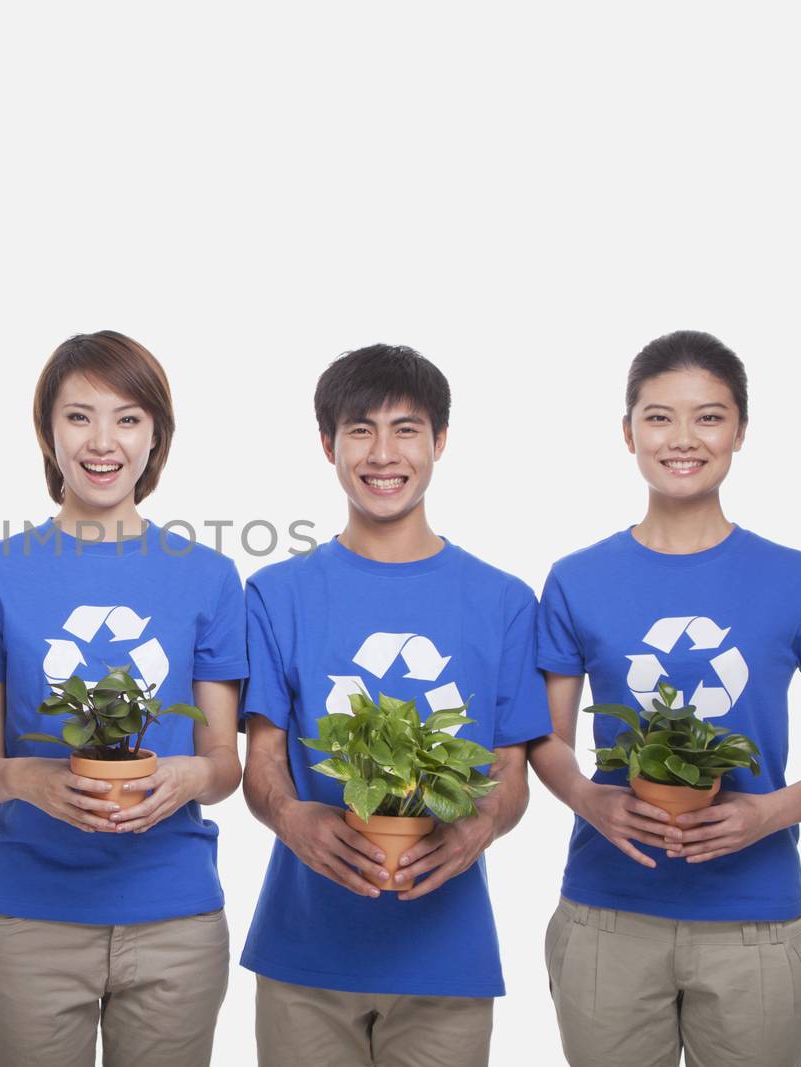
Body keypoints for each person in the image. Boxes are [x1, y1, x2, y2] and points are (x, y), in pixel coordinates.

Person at [528, 330, 801, 1067]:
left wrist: (767, 812)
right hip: (608, 915)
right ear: (627, 433)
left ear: (740, 431)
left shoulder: (798, 578)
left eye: (709, 416)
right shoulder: (575, 577)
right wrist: (590, 798)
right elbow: (547, 738)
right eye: (659, 416)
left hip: (754, 922)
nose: (682, 438)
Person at [239, 344, 549, 1067]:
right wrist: (291, 816)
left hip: (447, 958)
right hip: (305, 952)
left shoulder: (504, 601)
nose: (383, 453)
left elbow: (512, 774)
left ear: (440, 441)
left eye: (406, 429)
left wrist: (480, 825)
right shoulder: (276, 595)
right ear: (328, 445)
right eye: (359, 429)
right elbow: (261, 761)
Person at [0, 330, 247, 1067]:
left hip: (174, 913)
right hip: (29, 915)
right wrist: (31, 778)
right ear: (48, 434)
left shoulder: (209, 578)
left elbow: (223, 759)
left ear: (156, 438)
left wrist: (187, 778)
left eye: (128, 417)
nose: (102, 440)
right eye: (79, 416)